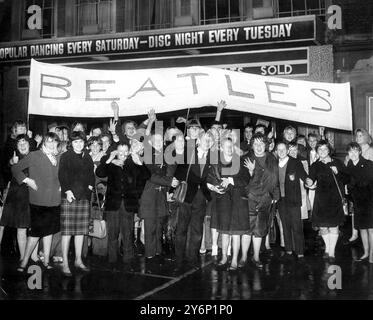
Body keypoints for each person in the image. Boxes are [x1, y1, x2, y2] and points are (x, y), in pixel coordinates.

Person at [12, 132, 61, 272]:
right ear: (44, 142)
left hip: (54, 201)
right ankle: (24, 262)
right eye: (49, 141)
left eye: (54, 141)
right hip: (38, 201)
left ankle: (46, 261)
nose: (51, 144)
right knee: (35, 234)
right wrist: (27, 180)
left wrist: (61, 185)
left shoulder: (57, 157)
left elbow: (59, 176)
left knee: (49, 232)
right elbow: (15, 168)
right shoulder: (34, 155)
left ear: (57, 143)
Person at [96, 142, 143, 269]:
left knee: (128, 233)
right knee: (113, 233)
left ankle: (128, 259)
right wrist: (110, 158)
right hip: (113, 204)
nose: (122, 154)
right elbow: (99, 173)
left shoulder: (132, 163)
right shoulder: (111, 164)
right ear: (116, 151)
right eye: (120, 151)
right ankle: (112, 259)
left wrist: (139, 162)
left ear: (128, 152)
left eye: (125, 151)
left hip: (128, 204)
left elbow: (146, 176)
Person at [207, 138, 250, 270]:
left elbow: (246, 179)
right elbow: (209, 179)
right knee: (224, 231)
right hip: (223, 201)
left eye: (231, 146)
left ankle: (235, 260)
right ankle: (224, 257)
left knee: (236, 233)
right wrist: (213, 187)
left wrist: (231, 180)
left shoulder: (240, 161)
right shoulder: (216, 163)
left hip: (238, 201)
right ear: (221, 148)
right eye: (226, 146)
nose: (229, 149)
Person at [174, 131, 213, 269]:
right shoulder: (188, 153)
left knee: (197, 230)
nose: (207, 142)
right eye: (205, 139)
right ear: (198, 141)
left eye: (210, 140)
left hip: (201, 197)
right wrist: (201, 181)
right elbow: (179, 172)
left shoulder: (212, 158)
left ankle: (192, 259)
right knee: (181, 229)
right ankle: (179, 260)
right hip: (186, 196)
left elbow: (213, 176)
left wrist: (210, 186)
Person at [58, 131, 95, 276]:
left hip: (84, 197)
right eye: (75, 142)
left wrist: (90, 188)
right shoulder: (66, 156)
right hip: (69, 197)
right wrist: (67, 190)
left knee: (80, 231)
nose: (78, 144)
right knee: (67, 232)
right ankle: (65, 263)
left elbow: (91, 175)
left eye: (80, 141)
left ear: (84, 142)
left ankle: (78, 260)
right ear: (71, 143)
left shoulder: (87, 157)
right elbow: (62, 174)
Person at [139, 132, 179, 261]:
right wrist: (169, 182)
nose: (158, 142)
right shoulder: (146, 154)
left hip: (161, 196)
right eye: (155, 140)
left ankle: (158, 251)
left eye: (160, 140)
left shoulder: (164, 156)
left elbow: (168, 173)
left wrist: (171, 185)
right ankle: (149, 253)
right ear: (150, 142)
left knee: (159, 226)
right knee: (150, 227)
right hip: (149, 196)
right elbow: (151, 175)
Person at [242, 132, 279, 268]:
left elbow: (275, 178)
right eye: (255, 144)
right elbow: (243, 181)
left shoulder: (272, 158)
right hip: (250, 197)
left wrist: (275, 196)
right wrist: (252, 172)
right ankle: (244, 256)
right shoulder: (246, 158)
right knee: (247, 228)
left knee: (259, 229)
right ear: (252, 145)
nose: (258, 147)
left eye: (261, 144)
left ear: (266, 145)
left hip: (265, 198)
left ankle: (256, 257)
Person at [307, 140, 347, 263]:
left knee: (334, 227)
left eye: (325, 149)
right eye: (320, 149)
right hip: (321, 200)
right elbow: (310, 178)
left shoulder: (337, 163)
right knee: (323, 227)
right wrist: (309, 183)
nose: (323, 151)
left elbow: (347, 179)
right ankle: (328, 249)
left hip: (335, 199)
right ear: (317, 151)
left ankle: (331, 252)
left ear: (329, 150)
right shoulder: (315, 165)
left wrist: (337, 172)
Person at [0, 135, 38, 262]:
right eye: (19, 143)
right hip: (18, 197)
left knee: (34, 228)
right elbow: (5, 172)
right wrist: (11, 162)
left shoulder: (35, 156)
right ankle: (23, 257)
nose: (22, 145)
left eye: (24, 142)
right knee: (21, 228)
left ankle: (33, 256)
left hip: (34, 195)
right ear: (16, 146)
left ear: (29, 144)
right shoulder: (15, 159)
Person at [276, 141, 308, 260]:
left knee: (297, 226)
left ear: (288, 150)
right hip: (280, 200)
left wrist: (310, 183)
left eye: (283, 149)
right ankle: (288, 249)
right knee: (285, 225)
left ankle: (299, 251)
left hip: (294, 199)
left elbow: (304, 176)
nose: (281, 152)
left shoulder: (295, 162)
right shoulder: (274, 163)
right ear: (276, 151)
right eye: (279, 150)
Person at [345, 142, 373, 263]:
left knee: (371, 228)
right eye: (351, 151)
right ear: (348, 153)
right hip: (357, 201)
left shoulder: (368, 164)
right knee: (362, 228)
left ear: (360, 152)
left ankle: (372, 254)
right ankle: (366, 252)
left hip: (370, 201)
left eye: (356, 151)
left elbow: (365, 182)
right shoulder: (349, 166)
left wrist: (351, 184)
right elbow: (347, 183)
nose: (353, 154)